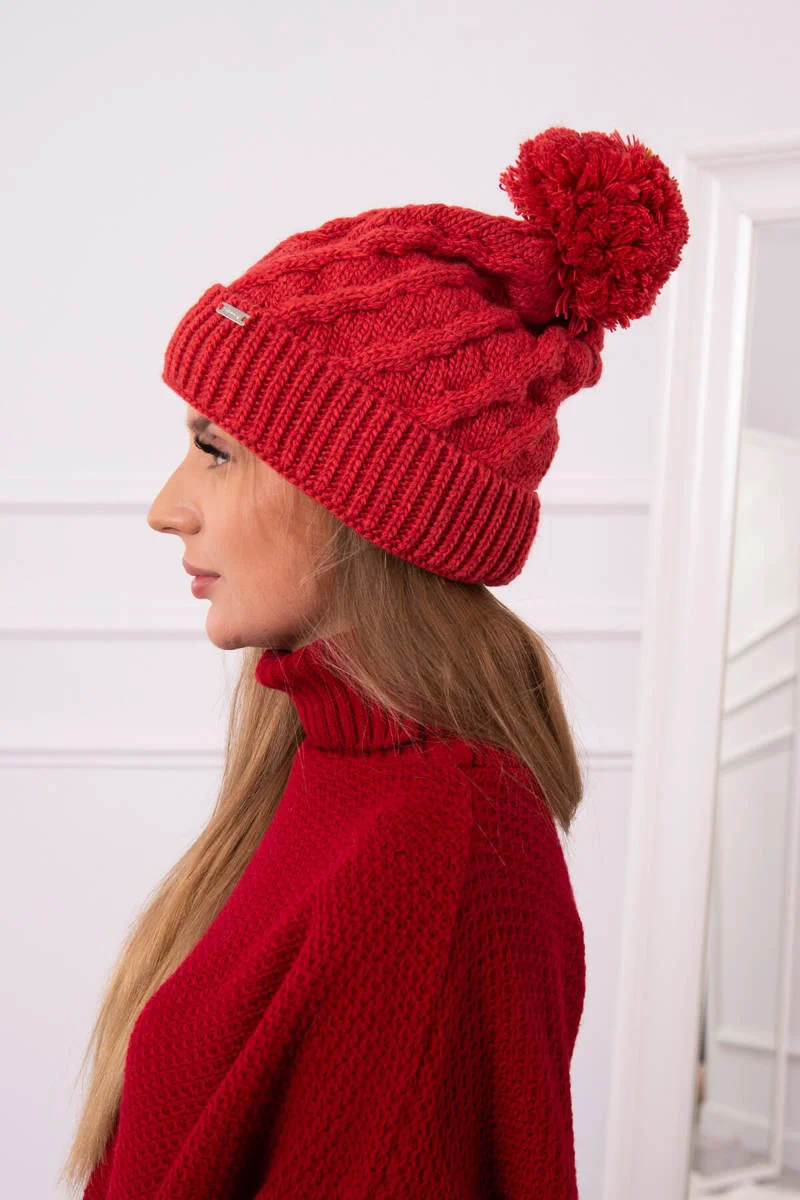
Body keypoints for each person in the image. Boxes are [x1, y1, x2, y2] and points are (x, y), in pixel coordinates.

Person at [60, 125, 690, 1199]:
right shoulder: (325, 765)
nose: (167, 508)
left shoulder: (443, 851)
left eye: (216, 451)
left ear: (359, 499)